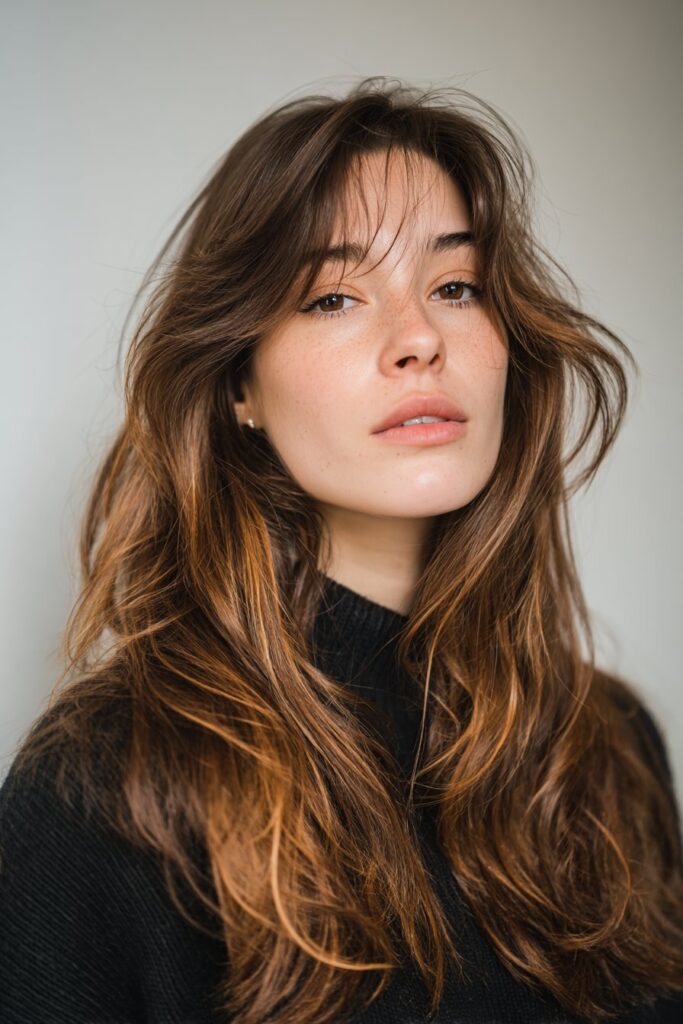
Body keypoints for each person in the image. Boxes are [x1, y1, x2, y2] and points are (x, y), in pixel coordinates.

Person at [1, 76, 681, 1024]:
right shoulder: (107, 785)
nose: (418, 341)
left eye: (455, 286)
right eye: (333, 297)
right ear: (239, 380)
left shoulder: (607, 749)